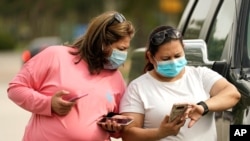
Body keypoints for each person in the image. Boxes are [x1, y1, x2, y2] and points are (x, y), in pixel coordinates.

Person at [7, 11, 135, 141]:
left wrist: (114, 126)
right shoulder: (55, 56)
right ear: (102, 43)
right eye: (121, 49)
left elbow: (119, 125)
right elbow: (15, 89)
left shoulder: (116, 77)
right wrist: (49, 104)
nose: (124, 55)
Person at [119, 25, 241, 141]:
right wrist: (161, 133)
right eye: (166, 58)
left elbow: (232, 94)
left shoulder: (200, 75)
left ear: (184, 50)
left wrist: (203, 107)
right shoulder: (138, 88)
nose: (173, 62)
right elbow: (128, 134)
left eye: (178, 55)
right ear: (151, 57)